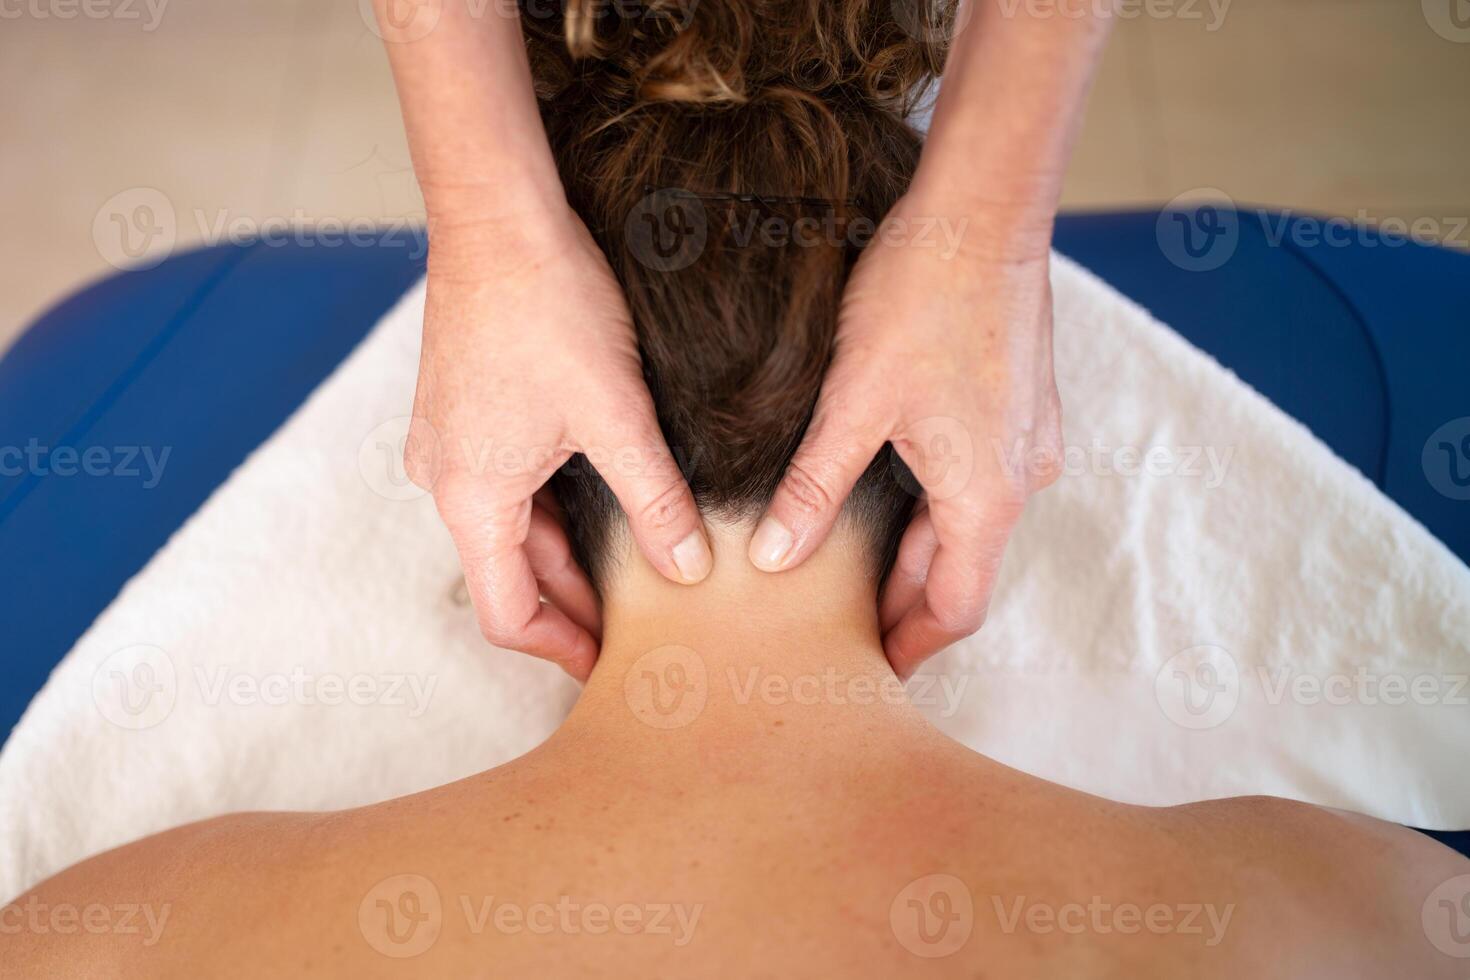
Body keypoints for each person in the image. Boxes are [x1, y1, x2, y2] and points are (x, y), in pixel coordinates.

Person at [7, 9, 1466, 973]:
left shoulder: (117, 934)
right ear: (935, 477)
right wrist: (987, 238)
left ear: (536, 502)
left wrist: (480, 209)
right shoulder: (1349, 911)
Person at [376, 0, 1105, 679]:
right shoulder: (1209, 818)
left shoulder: (276, 816)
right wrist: (983, 229)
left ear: (546, 493)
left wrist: (488, 230)